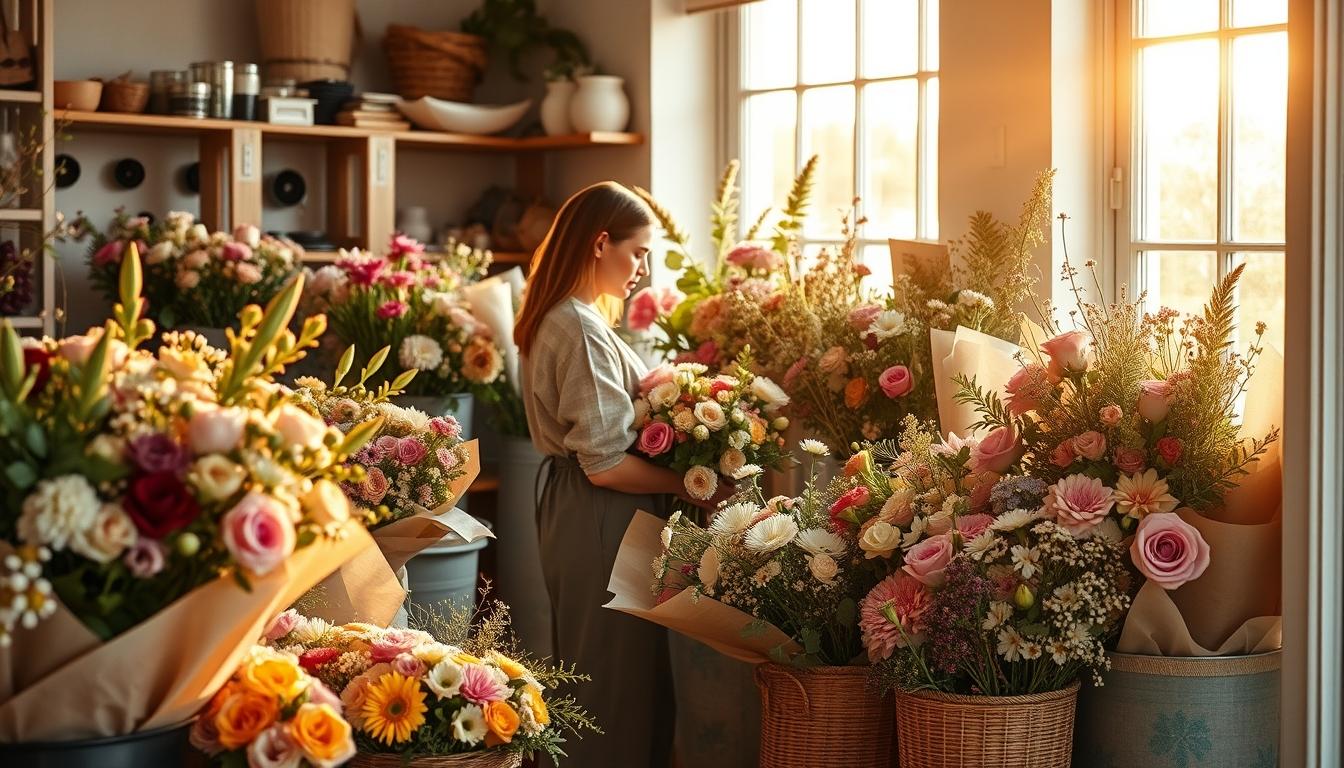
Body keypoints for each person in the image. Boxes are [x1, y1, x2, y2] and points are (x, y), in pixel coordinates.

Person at [515, 181, 728, 767]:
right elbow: (605, 464)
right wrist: (692, 485)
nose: (642, 267)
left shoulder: (563, 317)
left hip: (576, 506)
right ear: (600, 243)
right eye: (637, 251)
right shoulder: (579, 328)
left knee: (601, 671)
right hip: (597, 511)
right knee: (613, 682)